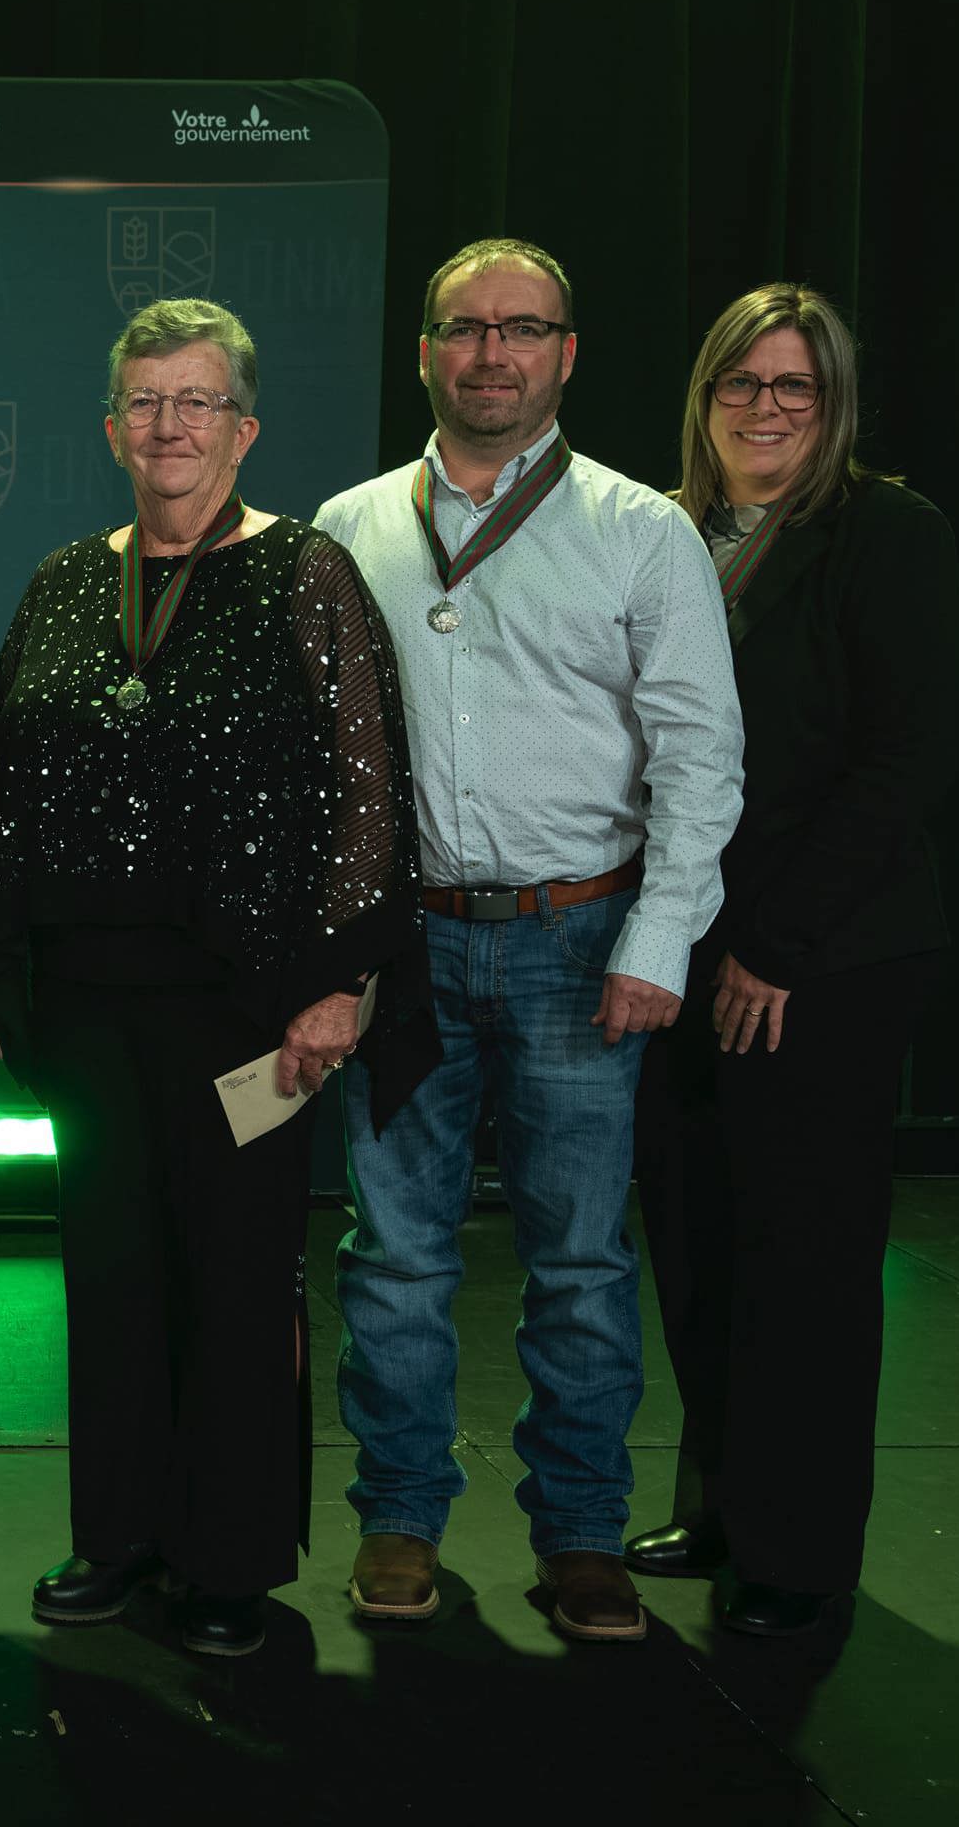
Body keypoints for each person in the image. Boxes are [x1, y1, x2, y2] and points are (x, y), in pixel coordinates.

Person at [0, 298, 425, 1657]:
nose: (170, 425)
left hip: (246, 1008)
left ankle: (228, 1563)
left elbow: (367, 791)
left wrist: (341, 982)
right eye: (146, 401)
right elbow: (6, 793)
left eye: (198, 401)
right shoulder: (57, 581)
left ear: (245, 426)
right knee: (109, 1280)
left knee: (233, 1278)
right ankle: (118, 1537)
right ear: (112, 427)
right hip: (84, 1005)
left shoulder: (307, 573)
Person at [312, 236, 744, 1643]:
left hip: (583, 940)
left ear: (567, 352)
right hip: (404, 947)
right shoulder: (351, 524)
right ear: (424, 350)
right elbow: (310, 762)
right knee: (394, 1258)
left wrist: (661, 940)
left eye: (523, 328)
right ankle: (399, 1519)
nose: (491, 353)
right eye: (464, 328)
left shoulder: (641, 529)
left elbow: (700, 757)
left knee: (578, 1262)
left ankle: (579, 1533)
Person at [628, 283, 959, 1635]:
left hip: (817, 965)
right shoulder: (669, 534)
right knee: (702, 1245)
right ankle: (724, 1505)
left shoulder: (888, 532)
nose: (766, 409)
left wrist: (774, 945)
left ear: (833, 409)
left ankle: (802, 1551)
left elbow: (906, 760)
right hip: (679, 953)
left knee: (805, 1264)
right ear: (704, 398)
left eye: (796, 389)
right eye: (741, 384)